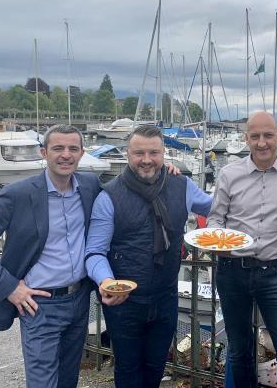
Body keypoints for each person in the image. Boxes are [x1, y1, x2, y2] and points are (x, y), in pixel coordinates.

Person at [0, 125, 102, 388]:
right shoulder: (18, 194)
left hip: (80, 299)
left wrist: (167, 174)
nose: (65, 155)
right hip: (40, 305)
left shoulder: (90, 185)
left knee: (68, 379)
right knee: (42, 382)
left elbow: (126, 190)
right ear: (44, 153)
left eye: (73, 149)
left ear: (82, 153)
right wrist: (10, 287)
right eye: (58, 148)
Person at [85, 125, 212, 388]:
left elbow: (219, 205)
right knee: (129, 371)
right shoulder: (109, 196)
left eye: (153, 152)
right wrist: (106, 280)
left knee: (155, 368)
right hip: (125, 302)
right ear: (127, 155)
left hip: (166, 297)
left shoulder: (182, 185)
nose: (146, 159)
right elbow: (95, 252)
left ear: (164, 153)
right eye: (138, 153)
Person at [207, 111, 277, 387]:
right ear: (246, 139)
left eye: (268, 135)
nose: (262, 142)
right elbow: (215, 220)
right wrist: (220, 244)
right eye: (255, 136)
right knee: (240, 352)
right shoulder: (229, 174)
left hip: (274, 274)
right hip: (231, 271)